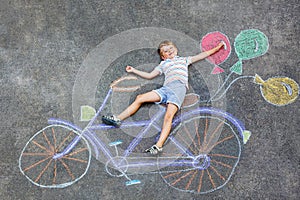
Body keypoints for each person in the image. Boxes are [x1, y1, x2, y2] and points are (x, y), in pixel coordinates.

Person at [102, 40, 224, 154]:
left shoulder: (184, 60)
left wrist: (217, 47)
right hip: (166, 89)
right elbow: (149, 75)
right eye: (166, 51)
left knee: (168, 116)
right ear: (163, 56)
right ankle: (117, 119)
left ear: (176, 50)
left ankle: (158, 146)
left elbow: (203, 55)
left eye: (171, 48)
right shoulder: (163, 64)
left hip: (178, 89)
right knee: (140, 97)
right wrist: (134, 70)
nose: (169, 51)